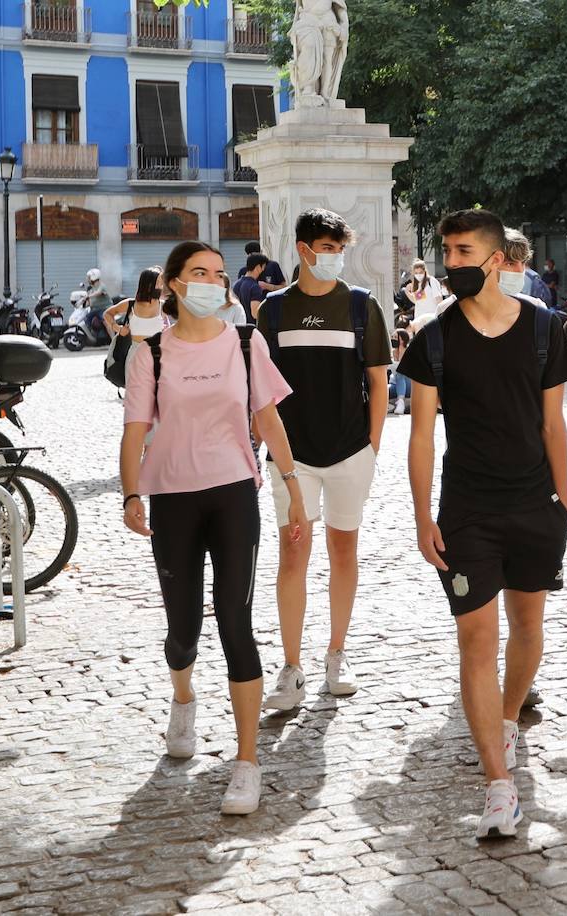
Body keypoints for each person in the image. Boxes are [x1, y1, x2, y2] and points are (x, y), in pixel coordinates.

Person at [396, 210, 567, 838]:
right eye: (447, 252)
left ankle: (503, 716)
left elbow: (554, 423)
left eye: (464, 252)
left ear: (498, 259)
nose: (453, 263)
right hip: (467, 512)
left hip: (535, 508)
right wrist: (422, 517)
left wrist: (566, 503)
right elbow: (420, 438)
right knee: (477, 641)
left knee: (528, 626)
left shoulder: (544, 330)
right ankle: (499, 786)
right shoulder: (433, 339)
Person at [120, 241, 305, 816]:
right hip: (173, 496)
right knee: (182, 627)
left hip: (232, 493)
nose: (211, 281)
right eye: (198, 272)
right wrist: (131, 493)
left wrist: (293, 487)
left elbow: (266, 417)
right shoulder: (148, 352)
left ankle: (247, 762)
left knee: (235, 621)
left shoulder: (246, 342)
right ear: (174, 284)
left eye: (217, 273)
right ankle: (184, 700)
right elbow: (135, 429)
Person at [258, 208, 390, 705]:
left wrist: (372, 447)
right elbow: (262, 391)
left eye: (340, 249)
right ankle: (291, 667)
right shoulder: (273, 310)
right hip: (291, 458)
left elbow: (377, 380)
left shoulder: (360, 305)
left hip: (349, 452)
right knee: (293, 553)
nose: (333, 257)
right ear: (303, 250)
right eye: (326, 248)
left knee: (343, 551)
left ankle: (337, 652)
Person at [104, 267, 167, 353]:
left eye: (161, 283)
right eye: (157, 283)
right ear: (147, 285)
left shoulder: (163, 306)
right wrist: (118, 328)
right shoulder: (130, 304)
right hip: (134, 357)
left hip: (157, 356)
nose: (160, 287)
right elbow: (107, 314)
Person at [406, 259, 448, 331]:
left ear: (425, 271)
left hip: (431, 319)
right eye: (416, 273)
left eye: (420, 272)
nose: (418, 275)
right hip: (419, 321)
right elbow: (417, 301)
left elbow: (439, 300)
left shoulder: (431, 281)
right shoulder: (418, 285)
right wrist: (407, 292)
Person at [389, 328, 412, 415]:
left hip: (409, 384)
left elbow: (407, 369)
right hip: (395, 383)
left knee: (400, 371)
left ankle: (401, 402)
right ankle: (390, 405)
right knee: (385, 389)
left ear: (402, 340)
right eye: (392, 337)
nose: (393, 339)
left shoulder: (409, 351)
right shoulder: (392, 352)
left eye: (395, 337)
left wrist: (402, 350)